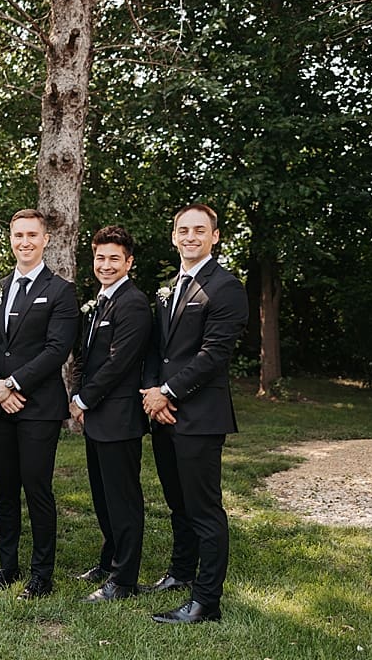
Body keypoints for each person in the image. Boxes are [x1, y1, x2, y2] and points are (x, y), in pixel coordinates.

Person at [142, 203, 250, 624]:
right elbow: (157, 348)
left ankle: (207, 601)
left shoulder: (226, 287)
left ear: (214, 237)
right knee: (177, 502)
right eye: (183, 230)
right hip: (164, 412)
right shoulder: (170, 286)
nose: (190, 237)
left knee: (204, 509)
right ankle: (181, 573)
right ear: (173, 236)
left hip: (200, 415)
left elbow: (213, 355)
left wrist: (167, 392)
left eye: (199, 230)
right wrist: (154, 392)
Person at [0, 208, 79, 598]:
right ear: (10, 238)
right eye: (18, 235)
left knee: (36, 488)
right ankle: (7, 565)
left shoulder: (60, 290)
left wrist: (14, 384)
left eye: (32, 235)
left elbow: (57, 350)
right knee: (4, 489)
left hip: (38, 407)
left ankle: (41, 573)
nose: (25, 241)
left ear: (45, 240)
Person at [70, 224, 152, 602]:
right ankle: (109, 559)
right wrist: (77, 393)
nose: (105, 265)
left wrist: (82, 400)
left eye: (114, 258)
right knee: (102, 496)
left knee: (123, 500)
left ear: (129, 262)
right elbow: (85, 358)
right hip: (97, 417)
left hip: (119, 417)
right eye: (100, 257)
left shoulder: (133, 303)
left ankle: (124, 580)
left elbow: (119, 363)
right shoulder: (99, 300)